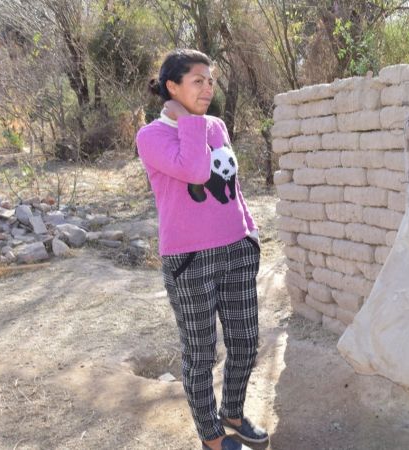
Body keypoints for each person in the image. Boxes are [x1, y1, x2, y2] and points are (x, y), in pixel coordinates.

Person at [136, 49, 267, 450]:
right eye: (198, 81)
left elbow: (231, 186)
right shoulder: (151, 136)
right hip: (190, 260)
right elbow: (196, 170)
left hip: (236, 249)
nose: (208, 88)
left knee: (246, 341)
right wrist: (187, 121)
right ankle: (211, 434)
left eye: (210, 81)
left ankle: (233, 412)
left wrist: (249, 232)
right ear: (172, 87)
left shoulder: (217, 125)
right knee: (201, 352)